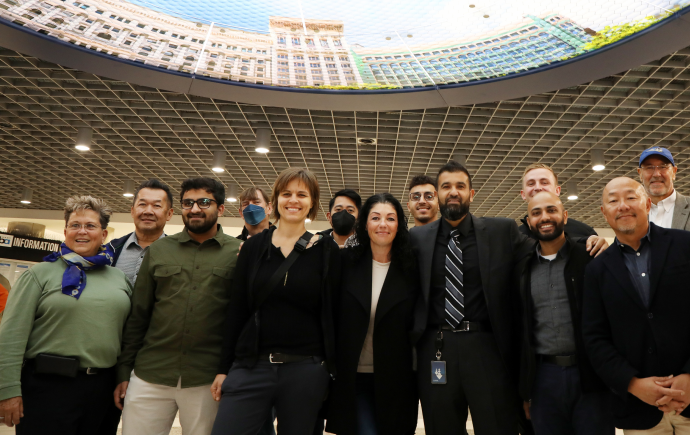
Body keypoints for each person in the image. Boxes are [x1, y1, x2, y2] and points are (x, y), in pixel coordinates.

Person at [581, 177, 690, 434]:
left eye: (631, 197)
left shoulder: (688, 245)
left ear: (648, 203)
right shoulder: (597, 269)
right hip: (639, 409)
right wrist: (632, 384)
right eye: (613, 200)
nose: (623, 206)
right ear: (603, 212)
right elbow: (595, 338)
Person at [210, 168, 341, 435]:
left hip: (306, 368)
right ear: (276, 201)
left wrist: (330, 373)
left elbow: (335, 316)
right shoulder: (253, 248)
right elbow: (237, 310)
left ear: (312, 202)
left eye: (302, 194)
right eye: (286, 193)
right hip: (251, 365)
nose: (293, 200)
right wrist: (224, 369)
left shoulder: (328, 251)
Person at [411, 160, 532, 435]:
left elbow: (544, 244)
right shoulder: (417, 238)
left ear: (471, 193)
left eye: (460, 186)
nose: (453, 192)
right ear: (437, 194)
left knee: (497, 427)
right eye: (446, 186)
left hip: (487, 348)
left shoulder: (502, 231)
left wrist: (588, 240)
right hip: (436, 347)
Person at [114, 178, 239, 435]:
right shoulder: (159, 250)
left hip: (207, 378)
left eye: (204, 202)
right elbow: (139, 315)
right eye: (188, 203)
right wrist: (124, 371)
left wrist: (230, 371)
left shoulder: (238, 253)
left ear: (221, 208)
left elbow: (241, 318)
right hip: (151, 373)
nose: (195, 209)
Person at [0, 196, 132, 432]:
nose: (82, 231)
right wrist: (7, 390)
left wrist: (123, 376)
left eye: (90, 226)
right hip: (47, 387)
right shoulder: (39, 274)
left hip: (103, 390)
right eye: (75, 225)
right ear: (65, 231)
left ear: (103, 235)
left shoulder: (118, 278)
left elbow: (126, 334)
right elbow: (11, 336)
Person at [516, 191, 612, 435]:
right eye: (536, 213)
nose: (544, 217)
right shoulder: (521, 267)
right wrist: (525, 390)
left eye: (551, 210)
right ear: (528, 222)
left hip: (590, 375)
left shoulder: (591, 258)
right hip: (543, 378)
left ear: (565, 216)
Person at [326, 193, 420, 435]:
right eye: (375, 217)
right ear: (364, 223)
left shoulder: (411, 268)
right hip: (352, 376)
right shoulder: (345, 262)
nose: (382, 224)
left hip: (395, 379)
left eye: (390, 218)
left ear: (399, 225)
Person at [101, 180, 176, 434]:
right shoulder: (109, 252)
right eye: (142, 204)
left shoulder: (178, 255)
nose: (148, 210)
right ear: (132, 210)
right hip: (105, 355)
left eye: (157, 205)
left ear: (169, 214)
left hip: (151, 359)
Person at [637, 147, 690, 247]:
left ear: (674, 172)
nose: (656, 174)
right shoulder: (633, 213)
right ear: (640, 174)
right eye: (649, 167)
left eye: (663, 167)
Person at [519, 163, 608, 256]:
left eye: (544, 182)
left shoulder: (584, 233)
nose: (537, 188)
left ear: (557, 190)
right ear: (523, 194)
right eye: (531, 184)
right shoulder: (514, 240)